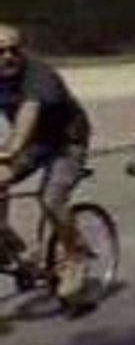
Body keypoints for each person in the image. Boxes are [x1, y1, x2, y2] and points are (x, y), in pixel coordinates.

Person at [0, 25, 91, 300]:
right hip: (35, 143)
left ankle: (76, 257)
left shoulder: (39, 74)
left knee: (51, 199)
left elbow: (29, 112)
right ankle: (18, 251)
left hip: (67, 142)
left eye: (14, 50)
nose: (8, 57)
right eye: (0, 51)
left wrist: (10, 151)